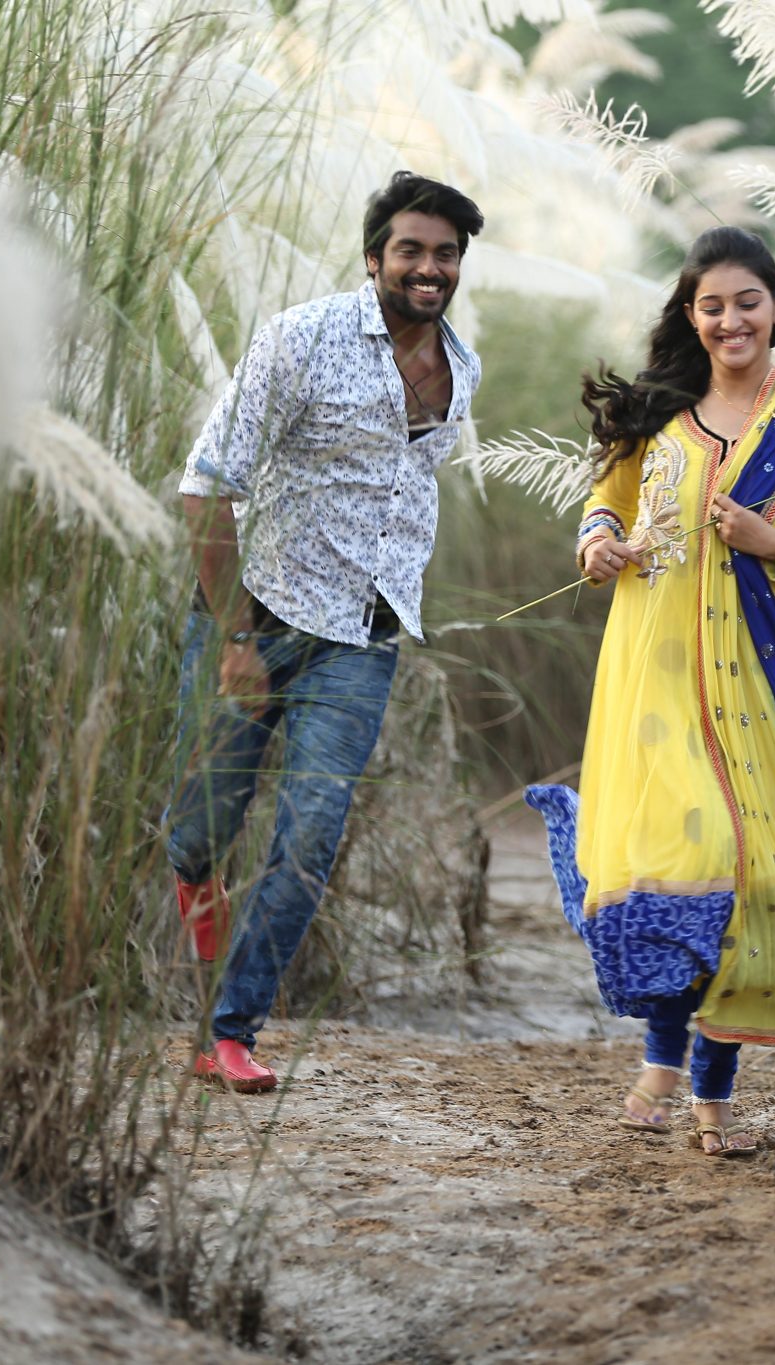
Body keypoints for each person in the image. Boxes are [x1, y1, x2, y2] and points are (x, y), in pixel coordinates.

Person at [526, 227, 775, 1156]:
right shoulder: (656, 410)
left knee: (741, 880)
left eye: (748, 302)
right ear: (691, 315)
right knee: (685, 856)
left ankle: (709, 1093)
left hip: (756, 682)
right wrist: (597, 545)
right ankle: (665, 1062)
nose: (731, 320)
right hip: (653, 670)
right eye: (712, 306)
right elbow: (605, 503)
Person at [164, 172, 484, 1093]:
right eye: (411, 250)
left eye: (446, 253)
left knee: (311, 838)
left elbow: (404, 489)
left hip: (362, 637)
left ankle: (229, 1029)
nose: (429, 268)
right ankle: (200, 902)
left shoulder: (461, 368)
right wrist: (234, 638)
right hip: (256, 616)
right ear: (374, 256)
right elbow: (207, 484)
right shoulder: (300, 338)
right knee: (197, 832)